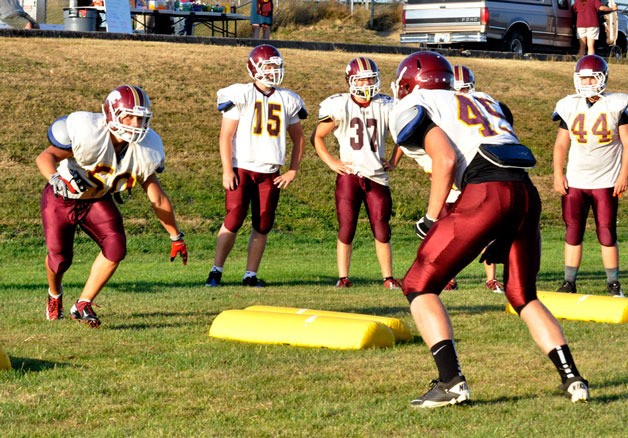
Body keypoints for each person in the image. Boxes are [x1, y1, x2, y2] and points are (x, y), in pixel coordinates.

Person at [389, 51, 589, 408]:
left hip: (487, 192)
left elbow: (446, 160)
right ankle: (573, 378)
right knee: (523, 295)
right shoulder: (481, 98)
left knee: (419, 285)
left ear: (408, 84)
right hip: (525, 195)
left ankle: (450, 381)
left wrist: (432, 218)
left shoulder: (415, 101)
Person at [36, 84, 188, 328]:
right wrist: (54, 178)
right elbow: (45, 156)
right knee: (60, 260)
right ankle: (55, 295)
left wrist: (175, 236)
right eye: (130, 116)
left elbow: (157, 197)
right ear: (112, 114)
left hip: (97, 200)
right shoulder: (88, 132)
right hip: (61, 199)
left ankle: (83, 303)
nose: (136, 124)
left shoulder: (145, 148)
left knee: (116, 247)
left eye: (141, 118)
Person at [388, 64, 505, 294]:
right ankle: (447, 277)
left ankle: (485, 278)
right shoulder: (477, 104)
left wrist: (430, 217)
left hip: (470, 183)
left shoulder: (435, 108)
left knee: (447, 242)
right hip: (492, 181)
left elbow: (445, 159)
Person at [205, 44, 306, 288]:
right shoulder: (240, 94)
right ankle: (216, 270)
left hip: (270, 171)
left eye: (276, 66)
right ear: (254, 69)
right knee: (234, 218)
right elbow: (226, 136)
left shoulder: (288, 98)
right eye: (268, 66)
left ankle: (250, 274)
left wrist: (292, 170)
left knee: (263, 223)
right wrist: (227, 169)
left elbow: (299, 138)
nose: (273, 71)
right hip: (242, 167)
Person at [311, 57, 401, 290]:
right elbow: (317, 136)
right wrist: (331, 162)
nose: (368, 82)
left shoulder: (385, 104)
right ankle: (343, 277)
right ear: (351, 81)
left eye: (371, 77)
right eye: (362, 78)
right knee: (347, 225)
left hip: (376, 174)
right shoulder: (340, 105)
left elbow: (405, 133)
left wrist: (394, 160)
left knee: (381, 226)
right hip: (350, 174)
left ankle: (388, 277)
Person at [552, 54, 628, 297]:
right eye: (582, 79)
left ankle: (613, 283)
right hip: (576, 179)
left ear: (602, 78)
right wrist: (557, 173)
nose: (586, 84)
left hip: (606, 180)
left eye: (590, 78)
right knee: (573, 230)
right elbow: (561, 144)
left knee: (606, 232)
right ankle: (568, 282)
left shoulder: (618, 103)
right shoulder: (568, 104)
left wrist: (624, 175)